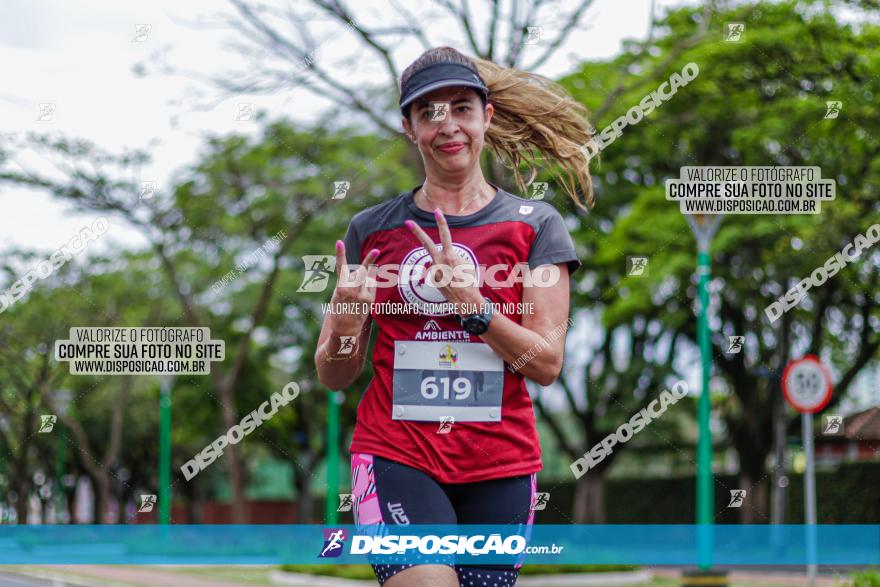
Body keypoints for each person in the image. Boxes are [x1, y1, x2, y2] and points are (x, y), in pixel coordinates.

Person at [315, 46, 594, 587]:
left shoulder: (535, 226)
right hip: (397, 452)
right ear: (408, 127)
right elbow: (334, 375)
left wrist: (474, 308)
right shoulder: (372, 230)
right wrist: (346, 331)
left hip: (501, 463)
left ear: (486, 117)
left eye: (461, 108)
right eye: (429, 113)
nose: (448, 126)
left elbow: (546, 362)